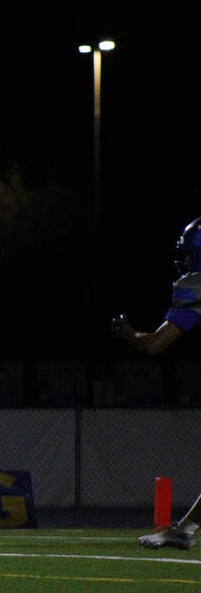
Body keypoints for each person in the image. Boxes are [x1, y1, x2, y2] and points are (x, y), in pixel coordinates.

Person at [111, 216, 201, 550]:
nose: (186, 260)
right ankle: (186, 529)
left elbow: (154, 344)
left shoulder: (196, 287)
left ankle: (185, 529)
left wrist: (125, 332)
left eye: (190, 253)